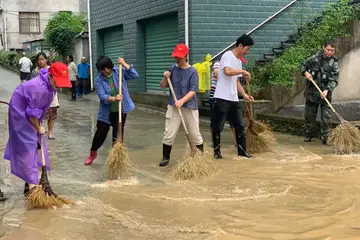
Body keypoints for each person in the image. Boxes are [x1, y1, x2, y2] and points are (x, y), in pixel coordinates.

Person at [4, 62, 71, 196]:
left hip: (31, 111)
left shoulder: (49, 84)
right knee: (28, 146)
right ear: (51, 76)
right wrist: (38, 126)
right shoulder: (39, 89)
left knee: (38, 146)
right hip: (20, 113)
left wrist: (39, 125)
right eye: (57, 81)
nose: (58, 85)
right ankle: (32, 186)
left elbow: (36, 110)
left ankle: (29, 182)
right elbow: (31, 114)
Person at [84, 56, 138, 165]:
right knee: (100, 134)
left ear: (110, 66)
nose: (103, 71)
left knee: (118, 136)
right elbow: (102, 96)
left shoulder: (119, 72)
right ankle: (93, 153)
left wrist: (124, 63)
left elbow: (134, 75)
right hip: (106, 113)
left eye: (105, 69)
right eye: (101, 70)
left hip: (121, 111)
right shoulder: (99, 79)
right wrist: (114, 98)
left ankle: (116, 159)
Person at [159, 43, 204, 167]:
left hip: (189, 107)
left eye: (179, 57)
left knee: (195, 133)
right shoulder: (172, 69)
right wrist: (165, 77)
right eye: (175, 57)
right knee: (169, 133)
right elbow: (163, 85)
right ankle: (165, 158)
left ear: (185, 56)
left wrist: (182, 101)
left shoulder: (192, 71)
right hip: (174, 107)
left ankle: (200, 158)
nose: (177, 59)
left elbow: (193, 90)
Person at [212, 34, 255, 160]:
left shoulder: (238, 61)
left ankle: (242, 152)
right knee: (217, 126)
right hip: (221, 97)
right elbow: (227, 72)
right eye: (247, 49)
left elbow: (236, 82)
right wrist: (242, 72)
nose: (247, 52)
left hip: (233, 98)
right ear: (240, 46)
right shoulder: (227, 55)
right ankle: (217, 153)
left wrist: (245, 95)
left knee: (240, 126)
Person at [301, 40, 340, 144]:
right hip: (312, 92)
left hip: (325, 94)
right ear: (323, 48)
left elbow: (334, 79)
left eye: (332, 50)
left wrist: (327, 90)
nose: (330, 52)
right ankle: (309, 133)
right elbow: (303, 66)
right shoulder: (314, 59)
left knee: (326, 117)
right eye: (328, 49)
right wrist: (305, 73)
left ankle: (325, 137)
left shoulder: (334, 64)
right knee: (309, 115)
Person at [31, 52, 59, 140]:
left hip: (51, 95)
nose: (41, 61)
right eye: (39, 60)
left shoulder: (51, 70)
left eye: (42, 59)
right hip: (40, 97)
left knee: (52, 115)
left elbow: (56, 81)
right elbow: (32, 84)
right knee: (39, 115)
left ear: (46, 60)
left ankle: (50, 133)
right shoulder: (35, 72)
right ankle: (40, 129)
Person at [209, 61, 237, 147]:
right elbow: (216, 73)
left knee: (234, 121)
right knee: (216, 121)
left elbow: (236, 82)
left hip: (229, 97)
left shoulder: (233, 66)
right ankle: (215, 143)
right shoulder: (218, 64)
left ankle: (238, 142)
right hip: (216, 96)